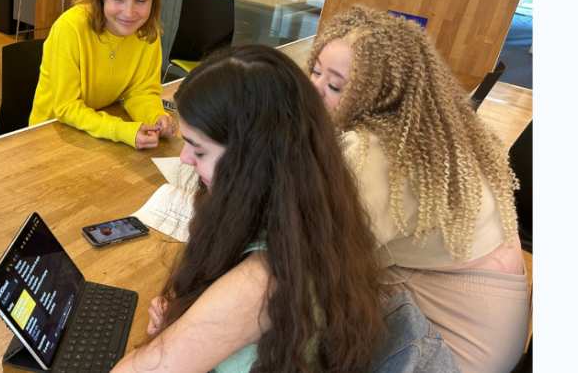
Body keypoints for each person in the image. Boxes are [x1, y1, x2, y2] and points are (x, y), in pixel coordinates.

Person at [113, 45, 392, 373]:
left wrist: (192, 329)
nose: (185, 159)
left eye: (199, 151)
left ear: (250, 163)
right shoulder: (313, 216)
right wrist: (192, 319)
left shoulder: (260, 283)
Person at [307, 5, 529, 373]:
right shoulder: (432, 133)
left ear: (379, 94)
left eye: (335, 85)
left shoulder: (376, 156)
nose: (313, 90)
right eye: (315, 72)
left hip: (448, 354)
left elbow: (310, 259)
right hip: (489, 330)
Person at [28, 0, 174, 149]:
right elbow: (67, 107)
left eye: (141, 0)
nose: (129, 12)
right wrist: (120, 129)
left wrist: (155, 117)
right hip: (51, 135)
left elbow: (141, 93)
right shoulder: (70, 28)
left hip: (98, 132)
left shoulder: (147, 34)